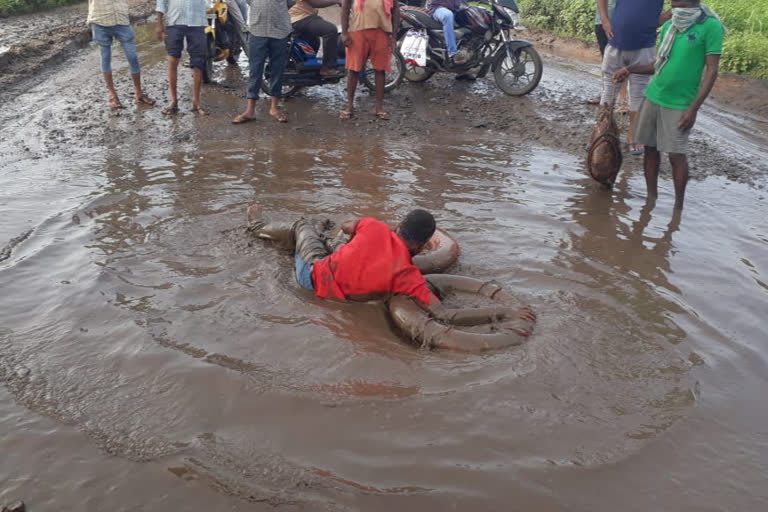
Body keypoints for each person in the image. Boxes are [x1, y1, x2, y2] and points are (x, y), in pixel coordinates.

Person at [613, 0, 724, 209]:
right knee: (651, 150)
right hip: (654, 96)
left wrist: (693, 109)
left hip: (681, 103)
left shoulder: (710, 25)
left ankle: (678, 207)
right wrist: (630, 70)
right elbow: (658, 65)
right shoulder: (670, 24)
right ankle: (651, 200)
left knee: (676, 154)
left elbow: (712, 71)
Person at [597, 0, 670, 155]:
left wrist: (657, 21)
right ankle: (601, 133)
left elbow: (680, 5)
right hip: (616, 42)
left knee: (638, 94)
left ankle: (633, 136)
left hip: (644, 46)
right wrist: (604, 20)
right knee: (609, 91)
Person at [232, 0, 293, 124]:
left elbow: (290, 2)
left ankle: (274, 108)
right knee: (255, 69)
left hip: (280, 30)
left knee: (278, 69)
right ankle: (250, 111)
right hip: (257, 29)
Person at [88, 0, 155, 110]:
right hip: (100, 20)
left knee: (133, 56)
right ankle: (112, 95)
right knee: (105, 58)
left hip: (121, 20)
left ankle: (139, 94)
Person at [340, 0, 399, 120]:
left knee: (380, 69)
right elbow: (345, 7)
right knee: (353, 69)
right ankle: (350, 106)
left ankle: (379, 108)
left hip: (382, 32)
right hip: (357, 30)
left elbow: (396, 10)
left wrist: (394, 36)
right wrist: (344, 33)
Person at [155, 0, 209, 115]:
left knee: (198, 63)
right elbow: (161, 2)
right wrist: (159, 23)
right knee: (173, 59)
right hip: (174, 22)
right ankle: (174, 101)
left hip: (197, 22)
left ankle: (196, 101)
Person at [587, 0, 626, 110]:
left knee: (623, 58)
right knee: (607, 60)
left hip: (623, 22)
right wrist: (605, 20)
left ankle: (623, 100)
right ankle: (606, 96)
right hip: (602, 22)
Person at [290, 0, 344, 77]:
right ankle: (327, 68)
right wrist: (337, 1)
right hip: (300, 18)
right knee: (330, 30)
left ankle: (310, 70)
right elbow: (315, 3)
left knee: (315, 41)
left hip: (303, 17)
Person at [427, 0, 468, 66]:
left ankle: (473, 52)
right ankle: (452, 53)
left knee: (474, 17)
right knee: (448, 15)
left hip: (456, 10)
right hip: (438, 8)